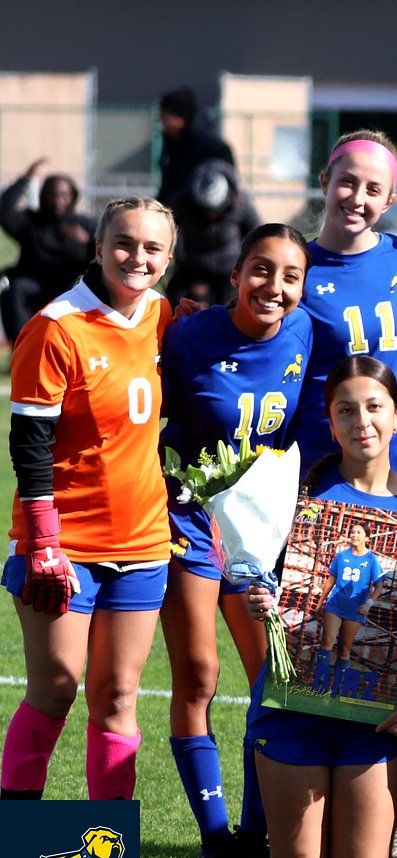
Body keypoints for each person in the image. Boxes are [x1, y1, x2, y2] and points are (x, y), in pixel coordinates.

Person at [240, 355, 397, 858]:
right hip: (295, 709)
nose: (363, 422)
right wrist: (259, 598)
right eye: (346, 410)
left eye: (375, 407)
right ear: (329, 422)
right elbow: (270, 585)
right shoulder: (293, 501)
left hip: (374, 715)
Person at [1, 197, 176, 813]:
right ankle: (18, 834)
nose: (137, 257)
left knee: (120, 694)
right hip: (65, 547)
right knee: (54, 687)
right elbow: (29, 443)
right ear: (98, 248)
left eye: (152, 248)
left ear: (168, 258)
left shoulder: (160, 316)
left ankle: (110, 846)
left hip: (145, 544)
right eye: (124, 243)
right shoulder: (56, 327)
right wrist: (45, 541)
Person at [155, 222, 313, 858]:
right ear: (234, 273)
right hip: (188, 523)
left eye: (288, 275)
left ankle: (255, 829)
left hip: (261, 534)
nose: (272, 286)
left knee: (271, 679)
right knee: (199, 675)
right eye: (259, 268)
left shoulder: (308, 331)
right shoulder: (188, 336)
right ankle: (216, 835)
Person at [296, 130, 397, 496]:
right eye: (347, 182)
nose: (357, 199)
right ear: (325, 181)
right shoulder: (296, 267)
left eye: (373, 190)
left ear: (391, 200)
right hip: (325, 461)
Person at [156, 86, 250, 303]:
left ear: (178, 117)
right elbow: (167, 186)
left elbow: (223, 190)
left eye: (164, 118)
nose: (162, 125)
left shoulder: (211, 146)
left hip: (216, 241)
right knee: (177, 297)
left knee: (225, 303)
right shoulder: (173, 144)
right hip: (187, 239)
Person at [1, 159, 94, 340]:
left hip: (70, 287)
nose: (58, 200)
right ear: (43, 197)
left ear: (72, 197)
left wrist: (86, 241)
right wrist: (27, 177)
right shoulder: (31, 222)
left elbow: (104, 253)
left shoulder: (85, 225)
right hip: (34, 285)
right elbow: (5, 211)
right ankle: (23, 344)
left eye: (63, 195)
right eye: (52, 195)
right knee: (15, 289)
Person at [312, 522, 387, 692]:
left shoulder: (371, 560)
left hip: (355, 610)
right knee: (327, 641)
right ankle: (320, 682)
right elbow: (330, 580)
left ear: (366, 538)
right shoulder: (341, 556)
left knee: (344, 649)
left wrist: (368, 603)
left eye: (358, 532)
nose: (354, 535)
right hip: (335, 605)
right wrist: (321, 601)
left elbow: (379, 586)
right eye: (352, 532)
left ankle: (337, 685)